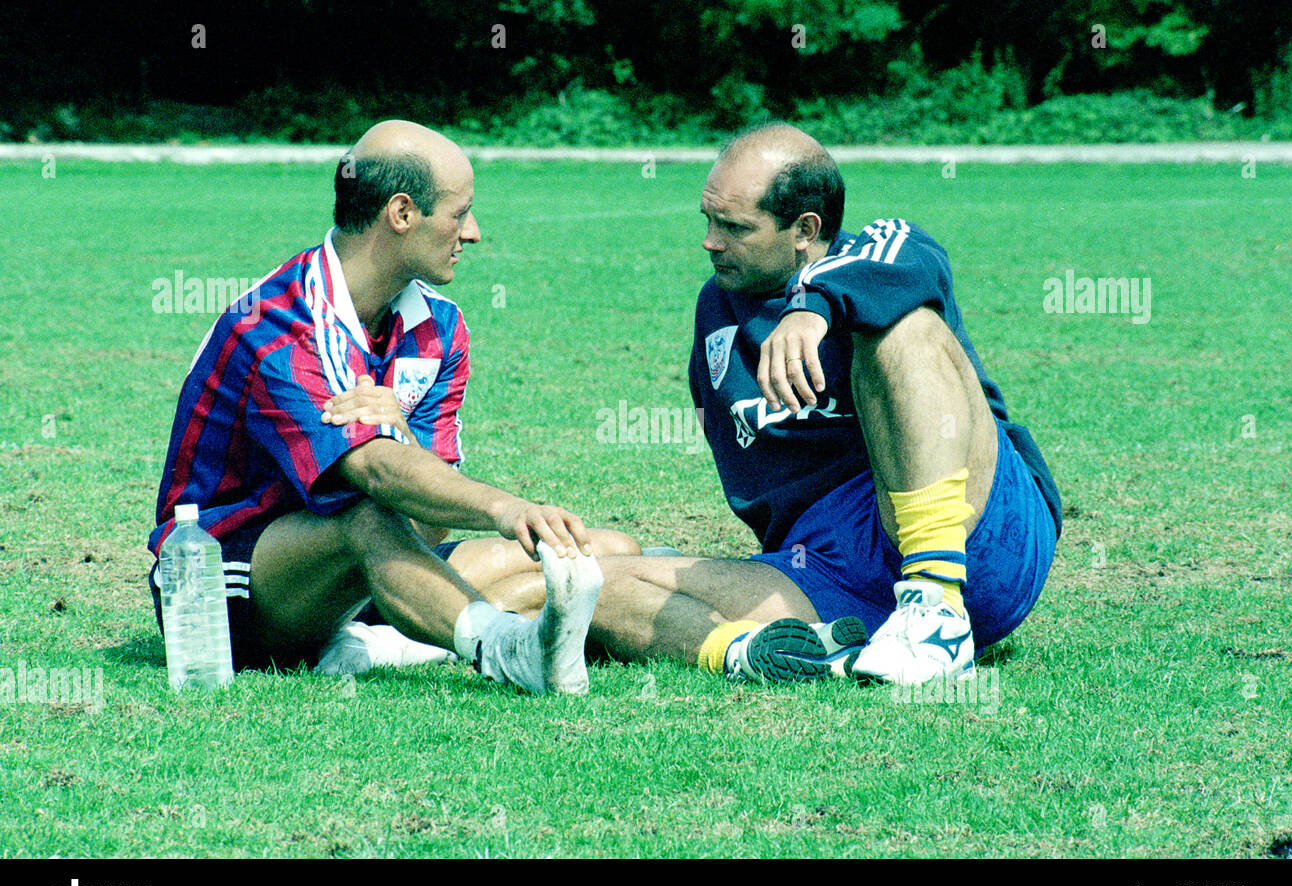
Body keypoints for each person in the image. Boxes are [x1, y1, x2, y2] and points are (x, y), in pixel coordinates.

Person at [415, 123, 1060, 688]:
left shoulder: (885, 249)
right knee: (598, 587)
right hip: (833, 569)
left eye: (734, 227)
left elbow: (906, 262)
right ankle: (770, 657)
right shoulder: (716, 310)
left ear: (805, 230)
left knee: (903, 325)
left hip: (980, 535)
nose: (710, 242)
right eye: (708, 220)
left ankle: (935, 608)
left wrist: (812, 307)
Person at [147, 119, 639, 695]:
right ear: (402, 214)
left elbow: (430, 514)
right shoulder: (279, 321)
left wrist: (400, 433)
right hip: (222, 587)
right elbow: (376, 475)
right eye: (460, 214)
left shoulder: (441, 328)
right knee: (366, 517)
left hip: (359, 562)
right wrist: (507, 509)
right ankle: (507, 652)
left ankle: (380, 643)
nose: (473, 232)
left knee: (604, 552)